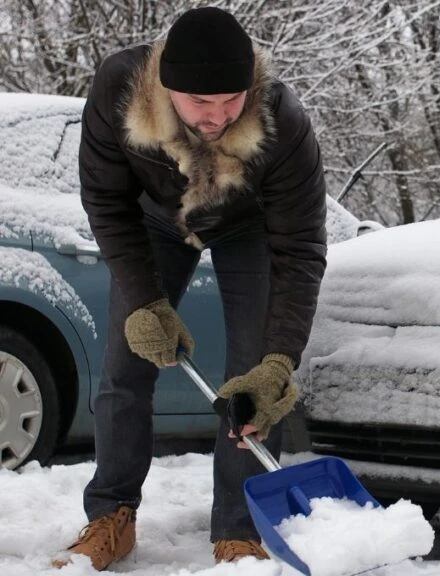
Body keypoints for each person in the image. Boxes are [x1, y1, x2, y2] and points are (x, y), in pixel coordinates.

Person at [53, 6, 327, 570]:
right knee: (125, 367)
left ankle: (240, 529)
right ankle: (112, 514)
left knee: (253, 378)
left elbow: (300, 251)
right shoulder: (118, 90)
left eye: (232, 100)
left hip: (248, 226)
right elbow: (106, 202)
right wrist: (145, 301)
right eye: (202, 103)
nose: (219, 116)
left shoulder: (281, 120)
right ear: (165, 87)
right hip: (156, 222)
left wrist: (278, 362)